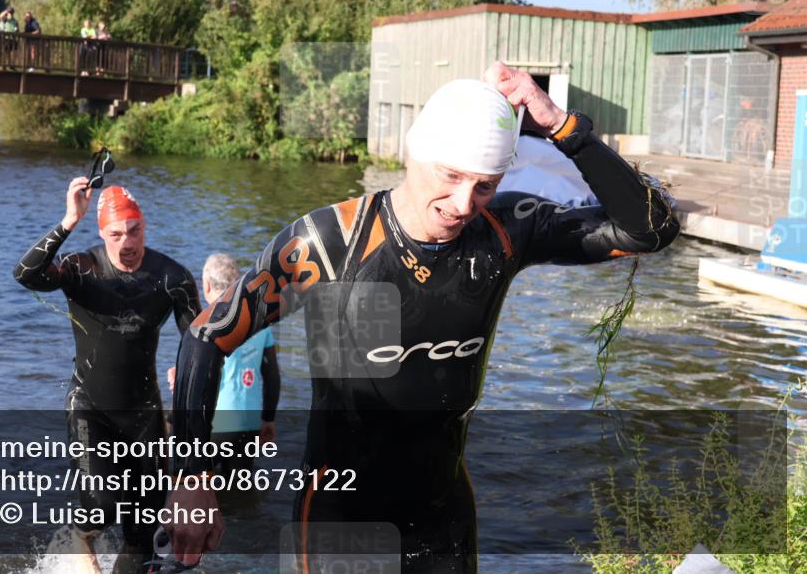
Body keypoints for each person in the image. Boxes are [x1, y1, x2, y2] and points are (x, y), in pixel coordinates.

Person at [166, 62, 681, 571]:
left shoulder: (506, 231)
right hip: (343, 519)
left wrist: (561, 126)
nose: (462, 204)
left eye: (484, 185)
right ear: (415, 151)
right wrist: (192, 478)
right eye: (451, 175)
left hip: (444, 518)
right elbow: (206, 336)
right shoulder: (329, 242)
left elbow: (651, 229)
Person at [13, 180, 201, 572]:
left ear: (144, 227)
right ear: (102, 232)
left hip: (144, 414)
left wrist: (185, 365)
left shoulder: (172, 277)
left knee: (142, 530)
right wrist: (69, 220)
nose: (126, 242)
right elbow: (26, 274)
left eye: (134, 231)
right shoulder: (83, 268)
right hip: (90, 407)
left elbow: (197, 342)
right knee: (101, 505)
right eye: (116, 234)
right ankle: (80, 538)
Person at [167, 253, 280, 474]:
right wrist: (268, 420)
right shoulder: (261, 325)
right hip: (248, 424)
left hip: (213, 426)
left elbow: (194, 383)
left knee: (195, 487)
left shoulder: (204, 327)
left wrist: (173, 420)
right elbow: (272, 376)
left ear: (206, 286)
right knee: (240, 490)